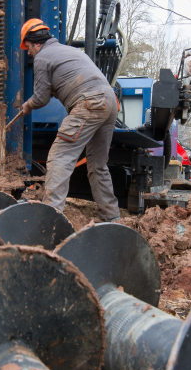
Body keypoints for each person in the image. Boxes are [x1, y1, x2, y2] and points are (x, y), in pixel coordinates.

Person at [19, 19, 120, 221]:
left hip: (89, 102)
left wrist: (27, 105)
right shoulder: (70, 51)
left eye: (28, 47)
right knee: (98, 165)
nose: (29, 52)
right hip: (110, 102)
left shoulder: (43, 57)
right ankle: (110, 217)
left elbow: (41, 97)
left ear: (36, 42)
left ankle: (51, 218)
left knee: (59, 158)